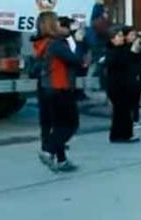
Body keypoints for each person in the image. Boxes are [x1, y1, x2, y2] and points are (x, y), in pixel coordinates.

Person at [33, 11, 87, 172]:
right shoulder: (56, 44)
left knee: (57, 125)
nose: (60, 25)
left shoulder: (41, 43)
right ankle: (48, 150)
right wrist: (79, 43)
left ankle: (61, 160)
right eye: (56, 22)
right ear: (51, 25)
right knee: (70, 125)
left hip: (47, 87)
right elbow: (76, 60)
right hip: (60, 87)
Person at [105, 26, 141, 143]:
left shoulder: (124, 48)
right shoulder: (111, 51)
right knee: (121, 111)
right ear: (112, 39)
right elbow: (118, 63)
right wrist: (131, 53)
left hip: (126, 84)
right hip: (117, 85)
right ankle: (122, 135)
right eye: (119, 36)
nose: (122, 38)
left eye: (122, 35)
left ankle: (122, 134)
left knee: (124, 110)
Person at [123, 26, 141, 128]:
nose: (133, 37)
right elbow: (127, 58)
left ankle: (135, 119)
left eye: (134, 35)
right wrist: (133, 51)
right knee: (129, 98)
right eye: (131, 35)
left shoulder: (139, 44)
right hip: (127, 75)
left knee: (137, 96)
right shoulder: (123, 46)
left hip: (138, 73)